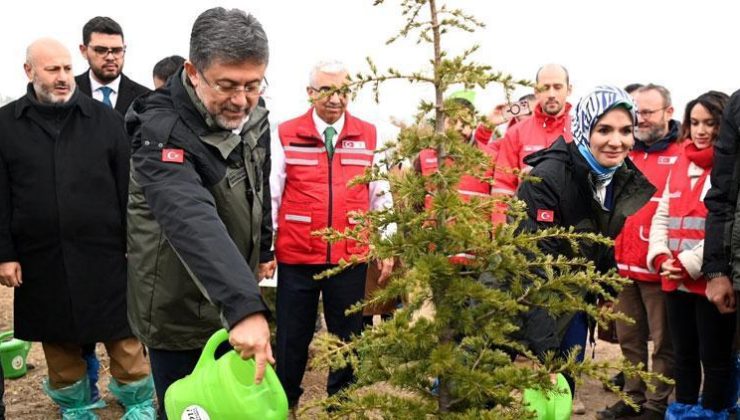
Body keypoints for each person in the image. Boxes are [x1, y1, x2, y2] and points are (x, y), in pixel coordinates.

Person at [125, 8, 274, 418]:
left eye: (253, 85)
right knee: (191, 406)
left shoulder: (255, 115)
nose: (241, 100)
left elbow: (258, 182)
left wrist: (264, 247)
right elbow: (188, 215)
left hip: (233, 293)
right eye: (227, 85)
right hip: (178, 310)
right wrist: (244, 306)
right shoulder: (160, 131)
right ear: (193, 71)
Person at [0, 38, 153, 418]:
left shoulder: (105, 121)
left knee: (123, 334)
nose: (64, 77)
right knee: (58, 337)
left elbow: (127, 188)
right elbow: (0, 195)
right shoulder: (5, 125)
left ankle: (138, 400)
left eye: (67, 68)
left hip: (104, 252)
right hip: (40, 256)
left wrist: (134, 243)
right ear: (29, 71)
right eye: (53, 70)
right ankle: (76, 404)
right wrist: (5, 254)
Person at [515, 85, 655, 411]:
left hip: (574, 303)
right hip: (527, 303)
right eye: (604, 129)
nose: (616, 141)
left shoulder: (611, 177)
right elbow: (532, 265)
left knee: (560, 402)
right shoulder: (548, 179)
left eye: (625, 130)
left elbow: (599, 240)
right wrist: (543, 354)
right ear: (583, 127)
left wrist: (607, 287)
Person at [270, 60, 394, 413]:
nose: (336, 98)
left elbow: (381, 193)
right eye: (326, 90)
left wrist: (385, 243)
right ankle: (285, 403)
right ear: (310, 93)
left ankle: (340, 405)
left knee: (347, 337)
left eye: (342, 90)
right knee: (293, 337)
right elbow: (273, 192)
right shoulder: (285, 132)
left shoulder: (369, 134)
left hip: (349, 256)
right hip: (297, 255)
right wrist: (267, 245)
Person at [646, 91, 735, 418]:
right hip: (675, 278)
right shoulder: (681, 160)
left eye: (710, 123)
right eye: (695, 123)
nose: (701, 131)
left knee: (714, 358)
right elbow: (663, 213)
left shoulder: (731, 164)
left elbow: (726, 221)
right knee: (683, 355)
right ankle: (683, 410)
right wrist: (659, 256)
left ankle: (713, 413)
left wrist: (687, 264)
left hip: (710, 279)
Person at [600, 84, 680, 420]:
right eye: (637, 112)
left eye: (648, 112)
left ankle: (657, 402)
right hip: (623, 263)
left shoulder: (682, 153)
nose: (641, 119)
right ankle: (633, 397)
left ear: (668, 113)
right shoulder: (624, 151)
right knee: (628, 339)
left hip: (660, 266)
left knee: (663, 343)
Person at [492, 63, 574, 198]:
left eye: (558, 87)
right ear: (536, 91)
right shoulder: (516, 133)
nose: (551, 94)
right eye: (545, 88)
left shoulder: (582, 130)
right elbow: (502, 186)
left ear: (569, 90)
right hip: (526, 217)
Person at [76, 16, 150, 116]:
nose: (110, 57)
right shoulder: (68, 92)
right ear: (84, 51)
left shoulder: (145, 98)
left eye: (117, 50)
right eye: (101, 50)